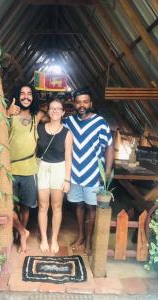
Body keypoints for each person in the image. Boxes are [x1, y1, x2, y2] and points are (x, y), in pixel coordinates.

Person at [64, 87, 114, 255]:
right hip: (74, 174)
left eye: (85, 102)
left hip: (93, 174)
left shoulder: (100, 122)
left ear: (90, 103)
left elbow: (109, 147)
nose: (82, 105)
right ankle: (80, 236)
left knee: (91, 207)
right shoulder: (68, 122)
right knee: (78, 205)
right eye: (78, 102)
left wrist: (106, 172)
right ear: (74, 103)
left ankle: (90, 239)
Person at [7, 84, 45, 251]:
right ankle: (22, 232)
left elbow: (55, 112)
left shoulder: (38, 116)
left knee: (26, 206)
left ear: (33, 97)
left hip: (29, 170)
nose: (26, 97)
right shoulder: (9, 114)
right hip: (10, 169)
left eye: (29, 94)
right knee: (8, 206)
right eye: (22, 94)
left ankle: (21, 237)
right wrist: (7, 113)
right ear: (17, 96)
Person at [37, 99, 73, 254]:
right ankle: (44, 238)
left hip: (59, 169)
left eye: (59, 109)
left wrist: (67, 179)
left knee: (57, 206)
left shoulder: (67, 133)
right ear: (48, 111)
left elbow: (68, 156)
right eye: (52, 108)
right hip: (42, 168)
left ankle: (54, 239)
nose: (55, 111)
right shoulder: (39, 129)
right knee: (43, 206)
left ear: (63, 112)